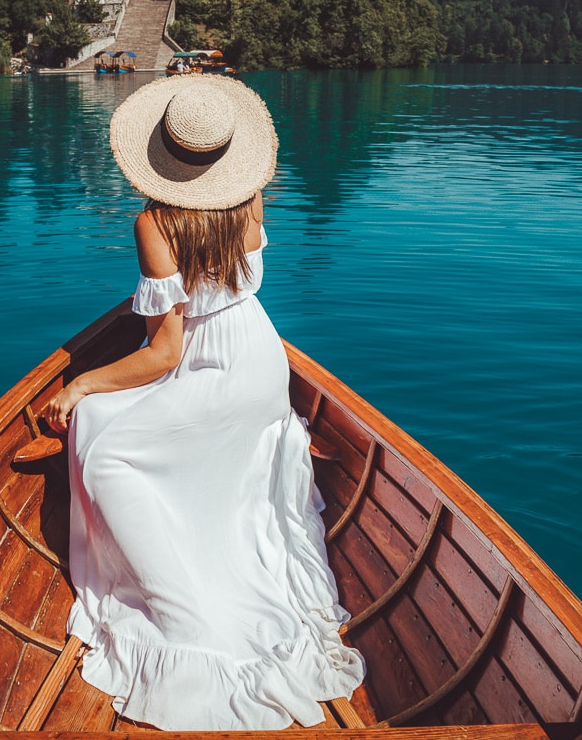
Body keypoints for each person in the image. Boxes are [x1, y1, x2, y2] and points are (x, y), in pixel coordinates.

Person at [42, 76, 365, 730]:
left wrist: (79, 384)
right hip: (258, 357)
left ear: (159, 157)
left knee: (106, 454)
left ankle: (185, 615)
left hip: (208, 365)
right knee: (122, 426)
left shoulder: (154, 221)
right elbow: (218, 296)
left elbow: (162, 353)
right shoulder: (248, 197)